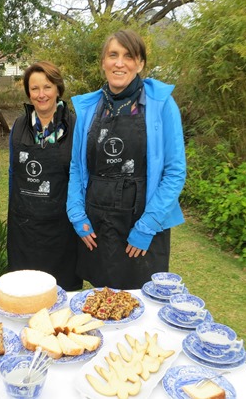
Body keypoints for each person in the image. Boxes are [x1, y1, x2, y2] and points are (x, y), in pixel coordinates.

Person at [66, 29, 186, 290]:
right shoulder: (89, 108)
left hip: (143, 224)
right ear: (103, 63)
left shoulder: (161, 104)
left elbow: (175, 171)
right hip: (97, 224)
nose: (119, 63)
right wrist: (76, 214)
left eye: (128, 56)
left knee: (139, 303)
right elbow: (77, 166)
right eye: (113, 55)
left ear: (140, 63)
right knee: (101, 301)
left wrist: (147, 226)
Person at [7, 61, 82, 291]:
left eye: (47, 87)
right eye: (35, 89)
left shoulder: (75, 126)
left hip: (62, 230)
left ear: (58, 89)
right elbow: (13, 174)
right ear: (29, 93)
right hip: (24, 229)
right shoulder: (19, 125)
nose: (41, 95)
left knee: (61, 297)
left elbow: (81, 175)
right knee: (25, 294)